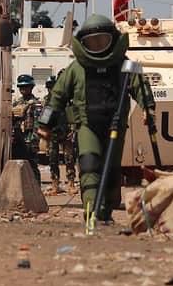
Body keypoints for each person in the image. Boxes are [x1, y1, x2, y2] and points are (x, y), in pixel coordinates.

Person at [37, 14, 155, 222]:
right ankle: (91, 209)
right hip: (87, 125)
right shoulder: (77, 68)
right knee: (90, 165)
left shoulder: (126, 64)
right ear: (83, 43)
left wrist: (148, 109)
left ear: (113, 39)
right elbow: (57, 96)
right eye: (92, 42)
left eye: (102, 40)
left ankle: (106, 211)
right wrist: (45, 125)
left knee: (111, 169)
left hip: (116, 125)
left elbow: (141, 87)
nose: (97, 45)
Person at [45, 73, 78, 195]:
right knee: (52, 159)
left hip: (66, 131)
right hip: (53, 132)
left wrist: (72, 129)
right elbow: (46, 115)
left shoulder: (68, 98)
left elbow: (73, 116)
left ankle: (71, 183)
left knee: (69, 158)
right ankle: (55, 184)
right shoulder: (49, 99)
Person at [12, 74, 41, 183]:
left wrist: (34, 139)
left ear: (31, 87)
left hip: (30, 138)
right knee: (18, 165)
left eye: (26, 87)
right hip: (18, 137)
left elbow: (38, 123)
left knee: (32, 165)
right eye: (21, 87)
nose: (23, 89)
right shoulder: (16, 103)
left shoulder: (35, 104)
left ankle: (36, 188)